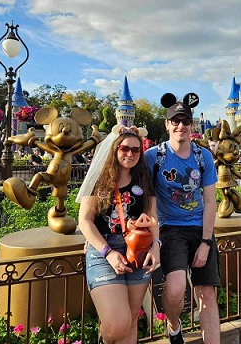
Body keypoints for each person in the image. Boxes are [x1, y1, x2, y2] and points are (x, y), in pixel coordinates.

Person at [145, 99, 220, 344]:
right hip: (171, 229)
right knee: (176, 289)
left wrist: (206, 242)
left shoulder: (203, 156)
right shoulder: (153, 157)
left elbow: (210, 201)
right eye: (175, 121)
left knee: (207, 294)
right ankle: (174, 325)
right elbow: (141, 195)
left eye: (185, 121)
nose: (181, 126)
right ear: (167, 124)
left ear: (191, 125)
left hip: (200, 228)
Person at [78, 125, 160, 344]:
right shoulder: (99, 179)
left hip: (137, 249)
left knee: (131, 320)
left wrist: (156, 246)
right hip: (105, 249)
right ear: (114, 149)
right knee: (117, 324)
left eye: (135, 150)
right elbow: (84, 220)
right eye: (124, 148)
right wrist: (107, 252)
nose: (130, 154)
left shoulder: (143, 179)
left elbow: (153, 217)